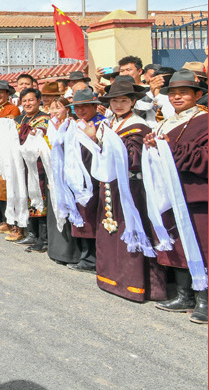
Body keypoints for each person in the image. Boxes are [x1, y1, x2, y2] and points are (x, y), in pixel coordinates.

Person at [92, 78, 167, 303]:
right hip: (109, 184)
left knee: (131, 227)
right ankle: (111, 277)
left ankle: (134, 283)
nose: (119, 105)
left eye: (124, 100)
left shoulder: (139, 126)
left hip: (131, 186)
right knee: (110, 230)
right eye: (115, 101)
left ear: (133, 102)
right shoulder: (107, 124)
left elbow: (135, 158)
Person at [145, 69, 209, 324]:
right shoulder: (165, 122)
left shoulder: (206, 121)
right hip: (170, 192)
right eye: (172, 93)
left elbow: (206, 158)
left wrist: (174, 147)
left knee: (202, 246)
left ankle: (204, 299)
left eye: (184, 92)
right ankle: (183, 295)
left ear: (198, 94)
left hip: (195, 193)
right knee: (178, 245)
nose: (177, 97)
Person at [67, 88, 106, 273]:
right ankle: (84, 256)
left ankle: (93, 259)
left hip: (94, 177)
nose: (81, 111)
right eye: (77, 107)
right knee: (81, 216)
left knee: (92, 217)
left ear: (94, 106)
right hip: (78, 178)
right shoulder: (76, 124)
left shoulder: (102, 124)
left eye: (85, 107)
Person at [44, 98, 81, 266]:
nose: (55, 112)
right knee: (54, 209)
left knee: (69, 209)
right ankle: (55, 250)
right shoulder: (49, 126)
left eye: (58, 108)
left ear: (67, 109)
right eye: (52, 108)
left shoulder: (72, 124)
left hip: (69, 173)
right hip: (52, 173)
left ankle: (70, 254)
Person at [14, 88, 50, 250]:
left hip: (39, 166)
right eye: (24, 101)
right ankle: (32, 233)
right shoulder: (20, 120)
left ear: (39, 100)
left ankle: (44, 239)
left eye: (31, 100)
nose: (27, 104)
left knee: (39, 197)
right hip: (24, 165)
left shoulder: (44, 119)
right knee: (27, 196)